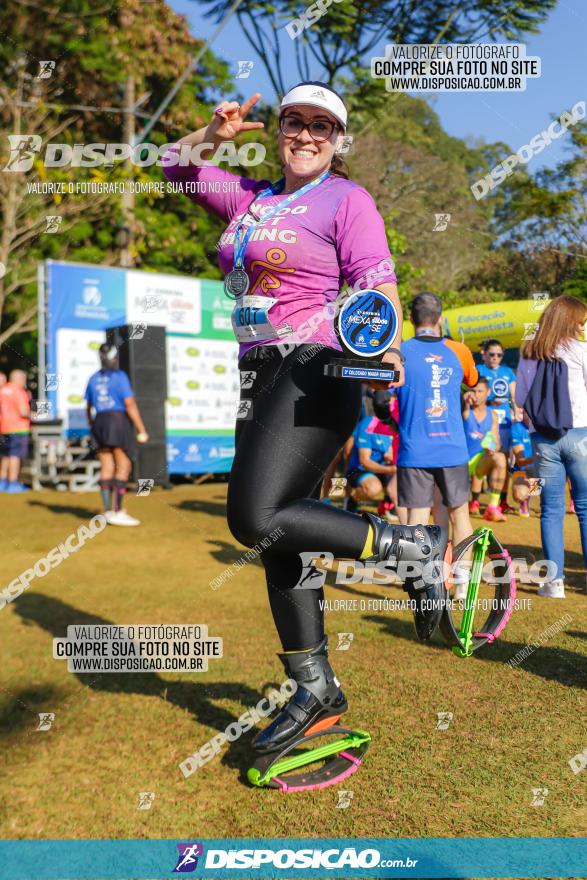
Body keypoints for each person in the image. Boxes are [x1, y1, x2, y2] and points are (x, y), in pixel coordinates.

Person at [163, 83, 449, 755]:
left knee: (253, 517)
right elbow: (170, 166)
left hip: (318, 365)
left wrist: (385, 346)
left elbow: (375, 280)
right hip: (259, 373)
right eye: (295, 121)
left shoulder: (346, 200)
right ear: (280, 129)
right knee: (280, 537)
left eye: (322, 126)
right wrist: (210, 134)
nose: (306, 134)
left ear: (338, 140)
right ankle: (313, 685)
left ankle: (413, 548)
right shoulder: (253, 198)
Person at [516, 294, 587, 598]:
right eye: (581, 322)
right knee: (584, 507)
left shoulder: (529, 351)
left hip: (542, 439)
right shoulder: (582, 350)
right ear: (571, 321)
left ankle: (554, 583)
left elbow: (520, 399)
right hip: (581, 434)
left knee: (551, 510)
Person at [396, 292, 478, 554]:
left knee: (417, 517)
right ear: (440, 318)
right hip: (452, 448)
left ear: (411, 318)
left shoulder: (400, 351)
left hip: (414, 449)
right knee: (460, 514)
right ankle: (463, 584)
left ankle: (417, 585)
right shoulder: (459, 350)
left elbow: (381, 397)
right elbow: (473, 381)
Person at [85, 344, 149, 526]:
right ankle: (118, 511)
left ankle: (107, 511)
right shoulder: (120, 377)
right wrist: (142, 429)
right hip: (117, 421)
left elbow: (88, 407)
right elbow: (130, 404)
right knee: (123, 465)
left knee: (106, 465)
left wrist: (93, 424)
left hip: (100, 422)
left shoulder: (93, 378)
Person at [344, 394, 403, 522]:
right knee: (373, 488)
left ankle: (388, 505)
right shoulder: (368, 424)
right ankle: (351, 500)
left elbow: (392, 453)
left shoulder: (396, 425)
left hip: (382, 468)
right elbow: (364, 461)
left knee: (406, 477)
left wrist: (390, 458)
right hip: (361, 469)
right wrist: (392, 469)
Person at [477, 338, 518, 513]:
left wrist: (517, 414)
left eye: (499, 355)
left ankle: (502, 500)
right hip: (484, 422)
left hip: (505, 424)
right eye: (491, 354)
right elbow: (473, 394)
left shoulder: (508, 372)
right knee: (483, 458)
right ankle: (475, 500)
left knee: (505, 461)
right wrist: (488, 401)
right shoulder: (479, 370)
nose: (495, 358)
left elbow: (515, 398)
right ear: (484, 354)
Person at [463, 377, 508, 522]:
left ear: (488, 393)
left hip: (479, 462)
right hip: (459, 462)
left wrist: (492, 448)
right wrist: (465, 404)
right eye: (472, 391)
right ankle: (472, 501)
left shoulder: (492, 414)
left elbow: (496, 441)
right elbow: (464, 414)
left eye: (479, 391)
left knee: (500, 458)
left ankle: (492, 507)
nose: (475, 394)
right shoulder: (464, 410)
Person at [0, 369, 31, 493]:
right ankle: (13, 483)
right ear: (20, 379)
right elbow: (23, 411)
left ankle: (2, 482)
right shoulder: (19, 391)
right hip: (18, 428)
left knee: (5, 456)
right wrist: (33, 414)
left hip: (3, 428)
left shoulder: (2, 390)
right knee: (15, 455)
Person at [510, 416, 534, 517]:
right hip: (523, 470)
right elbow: (520, 461)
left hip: (544, 469)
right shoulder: (517, 428)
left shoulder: (543, 427)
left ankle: (547, 504)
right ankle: (524, 501)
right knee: (520, 494)